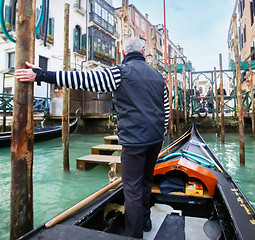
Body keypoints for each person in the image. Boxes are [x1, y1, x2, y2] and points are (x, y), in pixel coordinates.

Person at [15, 37, 169, 239]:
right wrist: (162, 131)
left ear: (124, 53)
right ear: (143, 52)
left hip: (134, 141)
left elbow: (81, 79)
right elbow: (165, 111)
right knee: (146, 182)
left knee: (132, 189)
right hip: (155, 139)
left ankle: (134, 236)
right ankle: (146, 221)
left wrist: (41, 75)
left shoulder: (119, 72)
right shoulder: (158, 77)